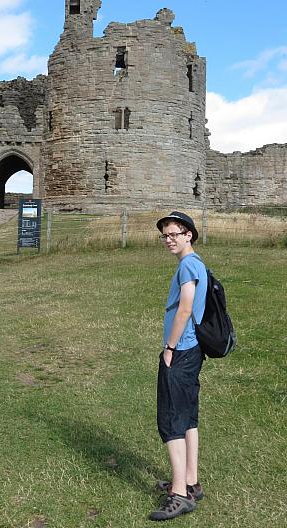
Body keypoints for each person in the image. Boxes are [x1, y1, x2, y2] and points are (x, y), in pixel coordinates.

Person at [149, 211, 207, 521]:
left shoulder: (188, 265)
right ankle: (190, 481)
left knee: (171, 419)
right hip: (193, 350)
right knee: (187, 417)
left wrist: (169, 347)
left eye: (175, 234)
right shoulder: (196, 263)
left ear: (189, 235)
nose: (169, 239)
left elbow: (186, 306)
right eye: (166, 235)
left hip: (182, 350)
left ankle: (180, 495)